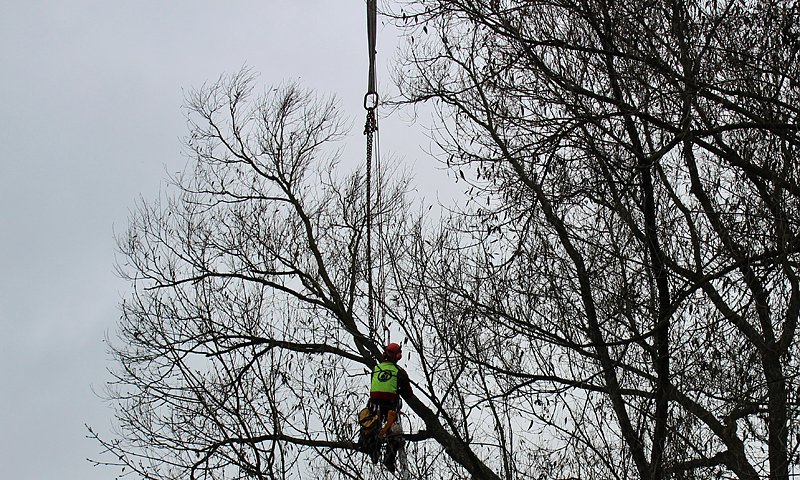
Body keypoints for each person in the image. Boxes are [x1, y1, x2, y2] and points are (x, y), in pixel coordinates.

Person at [363, 342, 412, 472]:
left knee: (373, 427)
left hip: (373, 405)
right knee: (395, 433)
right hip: (391, 406)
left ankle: (373, 450)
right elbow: (408, 394)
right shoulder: (400, 372)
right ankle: (389, 459)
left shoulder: (376, 369)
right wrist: (400, 388)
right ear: (398, 356)